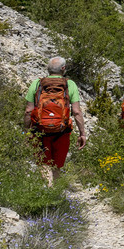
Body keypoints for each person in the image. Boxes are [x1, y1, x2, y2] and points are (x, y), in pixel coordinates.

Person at [23, 56, 88, 185]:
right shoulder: (69, 84)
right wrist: (82, 134)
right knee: (57, 165)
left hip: (40, 130)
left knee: (43, 163)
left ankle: (48, 188)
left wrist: (26, 131)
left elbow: (28, 111)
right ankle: (55, 193)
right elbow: (76, 111)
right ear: (63, 68)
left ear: (48, 69)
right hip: (62, 131)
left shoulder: (37, 84)